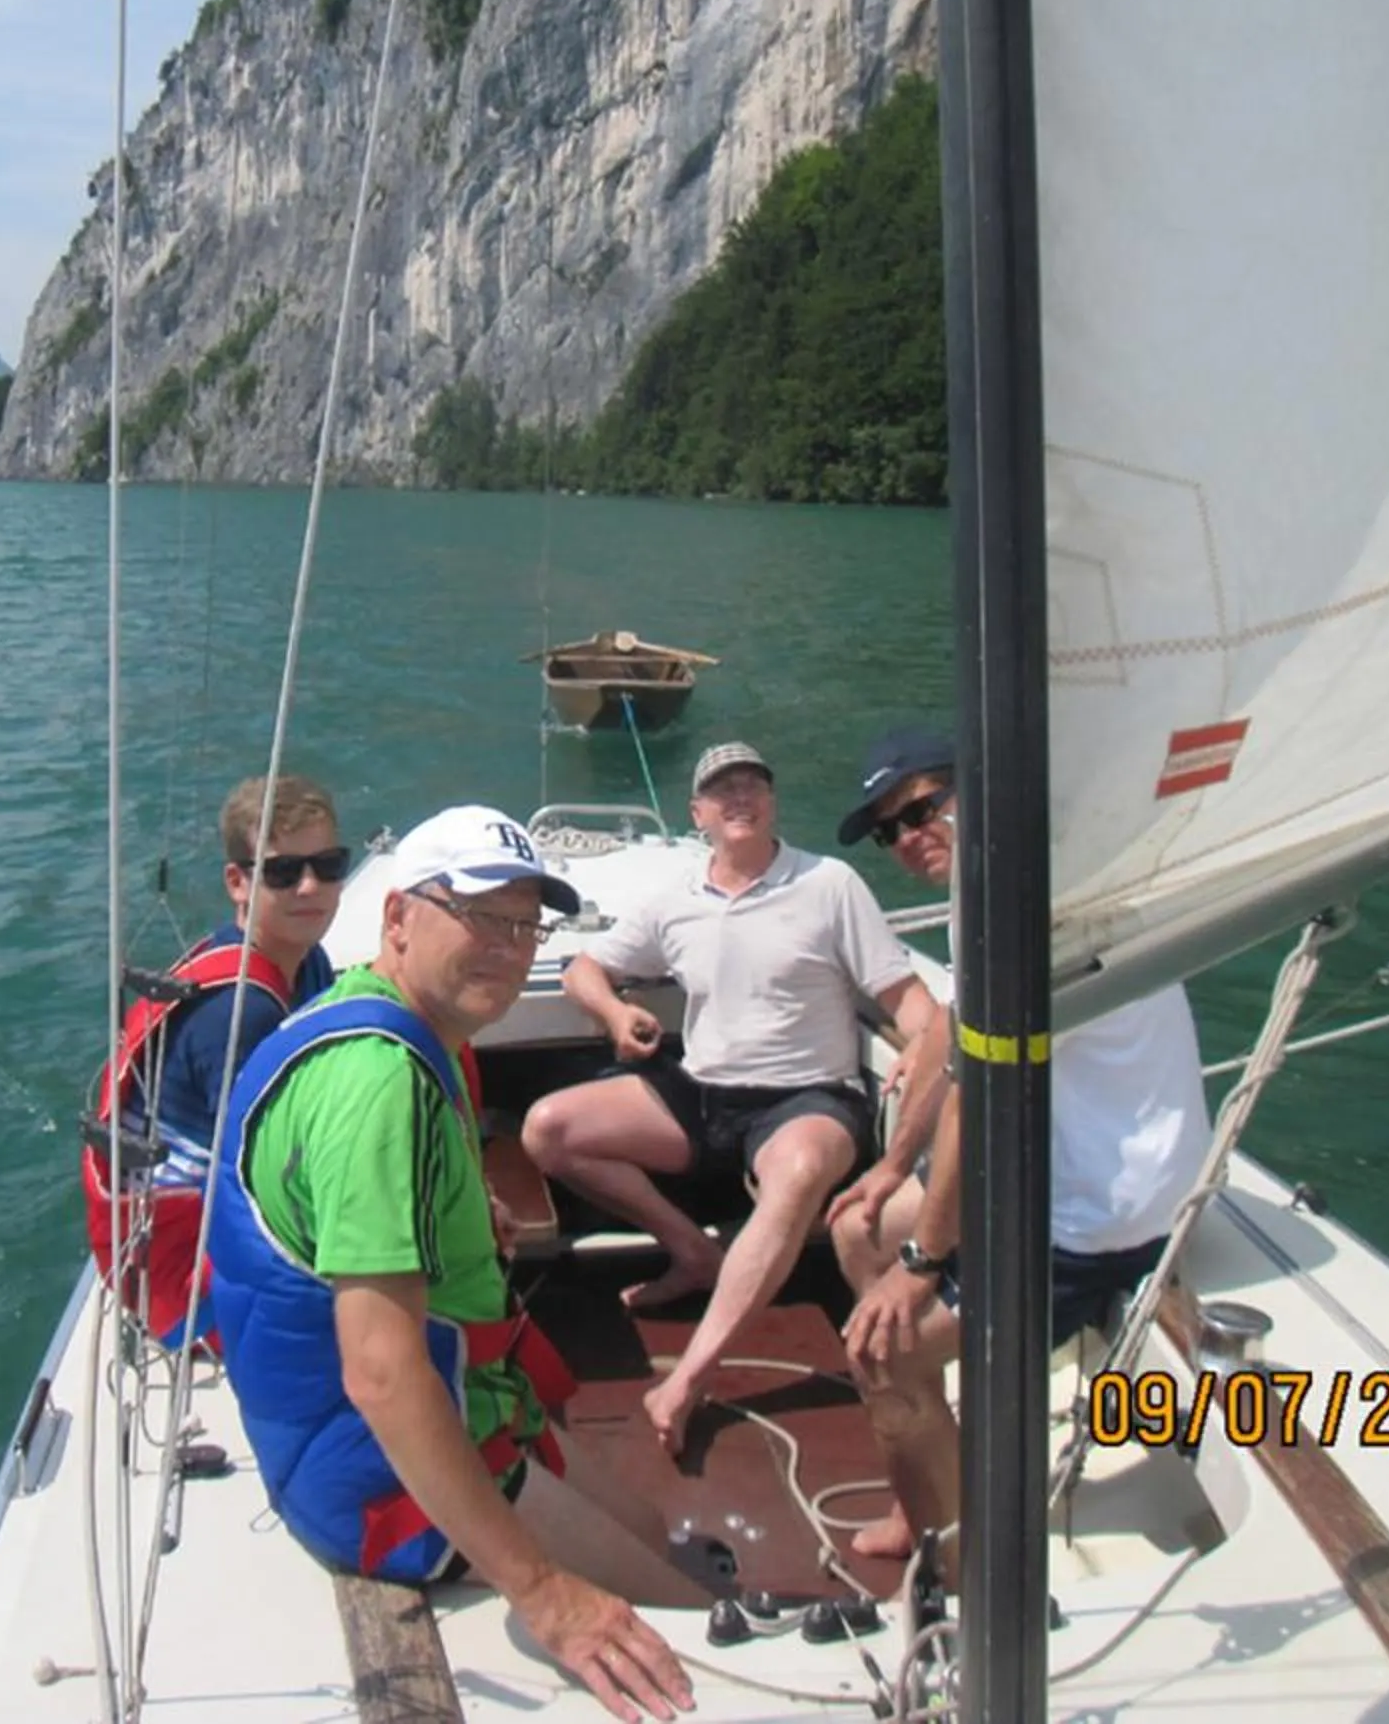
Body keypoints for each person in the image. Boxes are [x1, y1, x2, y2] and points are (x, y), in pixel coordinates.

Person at [208, 806, 698, 1723]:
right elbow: (383, 1375)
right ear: (397, 918)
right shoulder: (379, 1085)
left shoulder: (370, 1013)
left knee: (665, 1542)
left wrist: (469, 1216)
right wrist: (546, 1598)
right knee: (691, 1626)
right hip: (373, 1481)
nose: (509, 950)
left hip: (447, 1410)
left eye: (525, 926)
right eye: (479, 916)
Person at [827, 726, 1213, 1560]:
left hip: (1098, 1221)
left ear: (977, 786)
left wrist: (922, 1265)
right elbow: (954, 1035)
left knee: (879, 1354)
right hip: (1056, 1180)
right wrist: (892, 1168)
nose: (906, 838)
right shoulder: (1001, 876)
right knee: (855, 1226)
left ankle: (958, 1545)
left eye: (922, 809)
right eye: (890, 830)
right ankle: (933, 1436)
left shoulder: (1031, 907)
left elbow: (976, 1096)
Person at [521, 743, 949, 1459]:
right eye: (722, 791)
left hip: (806, 1097)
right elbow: (587, 968)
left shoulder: (829, 883)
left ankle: (688, 1380)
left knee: (799, 1174)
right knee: (547, 1129)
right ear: (699, 815)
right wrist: (615, 1015)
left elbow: (905, 999)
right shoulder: (676, 901)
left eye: (753, 784)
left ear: (773, 802)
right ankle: (692, 1252)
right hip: (701, 1092)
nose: (740, 797)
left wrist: (921, 1045)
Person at [83, 773, 347, 1346]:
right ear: (237, 882)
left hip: (224, 1222)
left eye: (328, 865)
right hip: (191, 1284)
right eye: (282, 872)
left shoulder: (306, 962)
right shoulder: (239, 1013)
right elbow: (265, 1178)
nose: (310, 887)